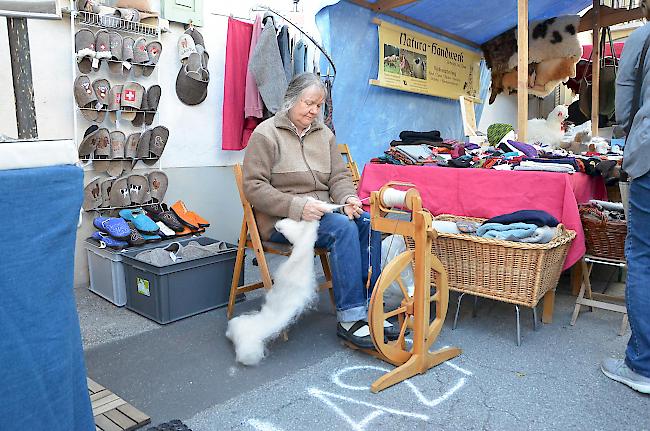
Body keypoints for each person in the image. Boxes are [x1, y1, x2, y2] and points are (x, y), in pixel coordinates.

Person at [242, 73, 397, 349]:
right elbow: (253, 187)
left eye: (319, 105)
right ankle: (350, 319)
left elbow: (338, 178)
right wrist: (298, 206)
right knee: (343, 229)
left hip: (324, 213)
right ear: (291, 100)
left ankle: (371, 307)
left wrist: (348, 198)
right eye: (309, 103)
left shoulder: (324, 135)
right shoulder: (266, 134)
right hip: (282, 220)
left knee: (366, 221)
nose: (314, 111)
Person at [601, 1, 650, 394]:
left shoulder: (643, 36)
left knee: (644, 255)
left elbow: (626, 95)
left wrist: (625, 141)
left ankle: (642, 365)